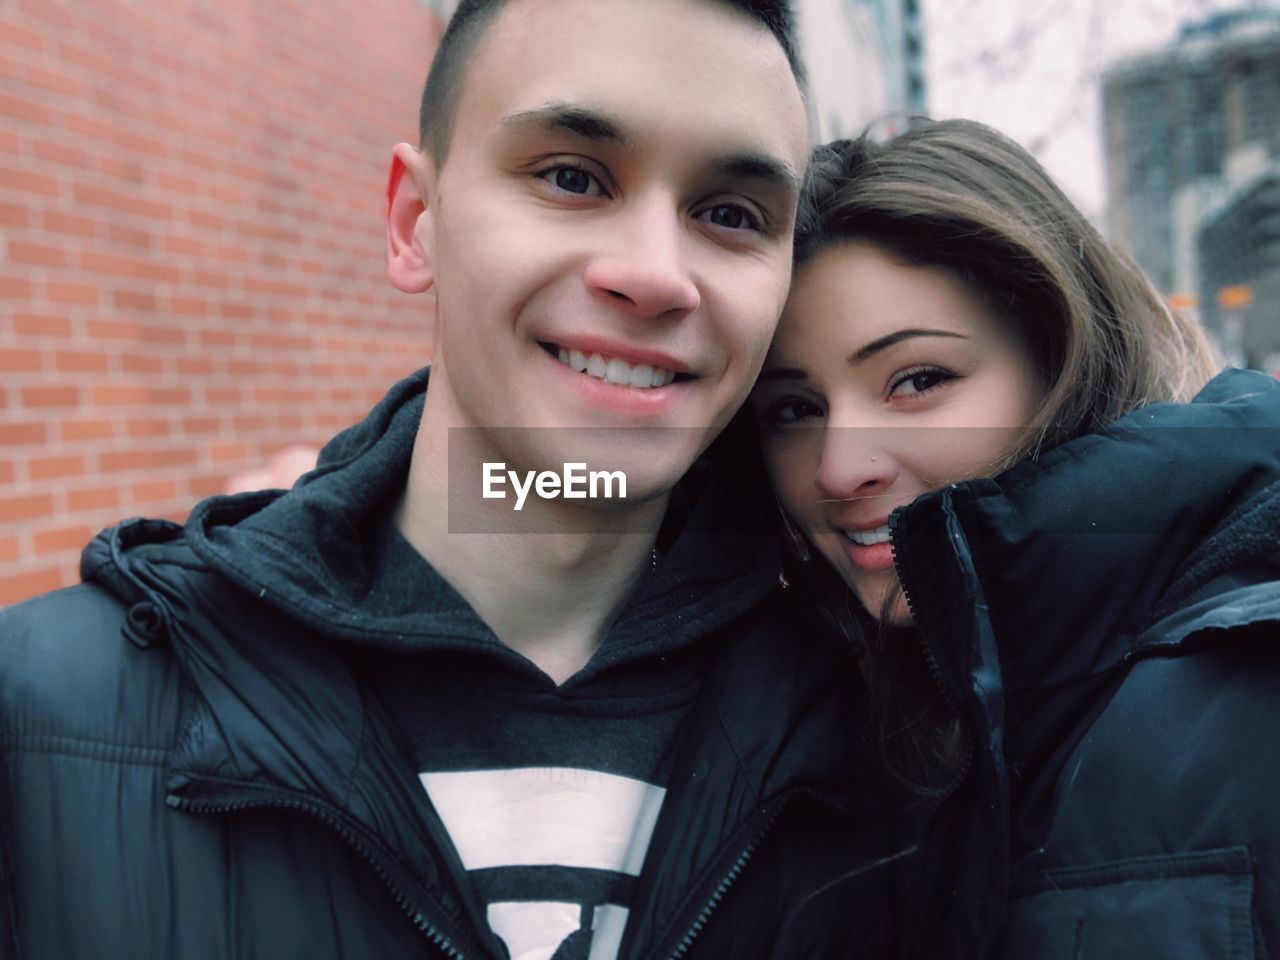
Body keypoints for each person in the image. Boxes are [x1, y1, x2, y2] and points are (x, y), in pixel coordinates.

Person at [0, 2, 896, 957]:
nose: (654, 275)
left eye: (729, 214)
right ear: (414, 224)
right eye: (570, 177)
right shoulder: (41, 722)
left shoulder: (900, 737)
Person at [750, 118, 1280, 959]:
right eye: (792, 408)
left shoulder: (1250, 692)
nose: (838, 468)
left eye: (918, 380)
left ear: (1061, 359)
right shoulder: (835, 713)